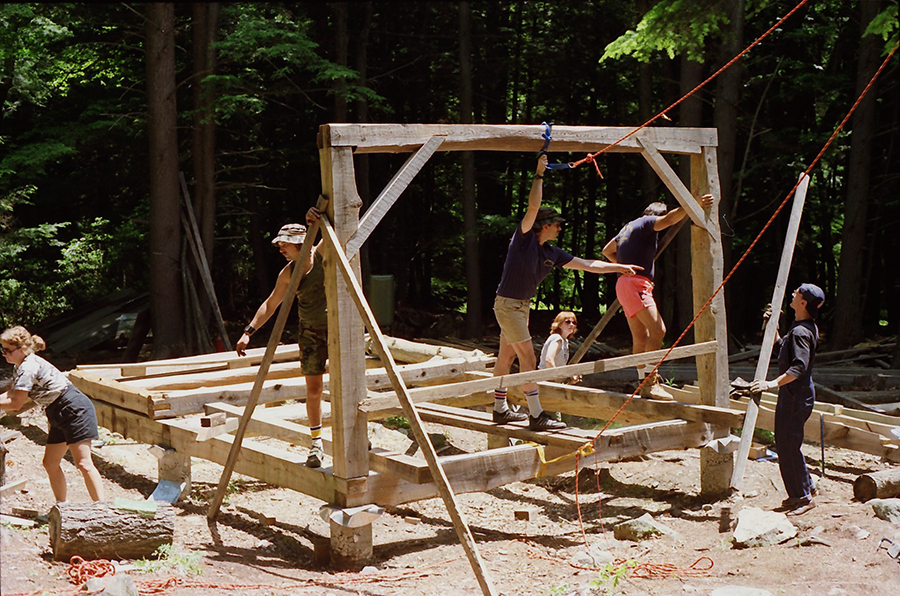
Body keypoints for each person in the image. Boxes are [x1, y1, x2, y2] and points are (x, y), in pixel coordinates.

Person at [492, 155, 642, 431]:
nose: (560, 228)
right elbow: (533, 206)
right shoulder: (524, 240)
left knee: (507, 357)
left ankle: (500, 409)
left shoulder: (552, 252)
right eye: (557, 224)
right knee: (527, 358)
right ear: (544, 225)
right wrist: (539, 173)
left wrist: (619, 267)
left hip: (520, 306)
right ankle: (536, 415)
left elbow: (587, 265)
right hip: (509, 305)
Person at [601, 194, 714, 400]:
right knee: (658, 330)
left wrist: (622, 266)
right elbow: (670, 219)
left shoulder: (628, 227)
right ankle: (650, 381)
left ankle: (642, 382)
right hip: (636, 284)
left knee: (640, 337)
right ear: (655, 215)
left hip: (623, 284)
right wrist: (692, 204)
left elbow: (607, 251)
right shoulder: (647, 223)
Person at [236, 222, 328, 468]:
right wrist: (248, 331)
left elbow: (337, 226)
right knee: (314, 389)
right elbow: (271, 303)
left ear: (300, 243)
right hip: (310, 333)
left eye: (284, 245)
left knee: (345, 386)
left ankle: (354, 434)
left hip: (337, 330)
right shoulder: (288, 272)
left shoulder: (322, 254)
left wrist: (316, 220)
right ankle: (316, 443)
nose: (281, 250)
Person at [1, 326, 106, 503]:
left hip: (73, 409)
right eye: (2, 349)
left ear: (21, 349)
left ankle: (103, 509)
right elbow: (12, 393)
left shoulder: (28, 367)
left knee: (84, 463)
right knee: (50, 463)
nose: (4, 354)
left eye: (7, 350)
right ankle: (61, 507)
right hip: (57, 411)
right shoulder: (20, 366)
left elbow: (16, 403)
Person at [751, 283, 825, 515]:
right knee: (788, 444)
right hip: (795, 394)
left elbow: (798, 367)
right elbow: (780, 349)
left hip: (796, 396)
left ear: (803, 302)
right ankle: (806, 487)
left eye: (797, 292)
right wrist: (771, 326)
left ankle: (801, 497)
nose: (792, 293)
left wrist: (771, 384)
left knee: (787, 446)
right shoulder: (802, 328)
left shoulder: (801, 332)